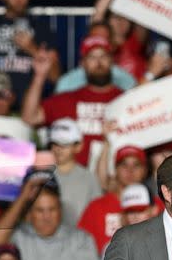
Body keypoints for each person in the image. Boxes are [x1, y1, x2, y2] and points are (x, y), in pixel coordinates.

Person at [21, 36, 124, 166]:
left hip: (113, 179)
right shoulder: (67, 99)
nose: (98, 62)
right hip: (72, 180)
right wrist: (40, 76)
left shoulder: (126, 100)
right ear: (82, 64)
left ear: (112, 61)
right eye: (92, 57)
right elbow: (29, 117)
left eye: (103, 56)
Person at [0, 170, 100, 260]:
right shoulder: (20, 236)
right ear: (29, 214)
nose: (47, 217)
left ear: (60, 210)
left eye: (52, 209)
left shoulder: (80, 238)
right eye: (40, 210)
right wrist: (23, 197)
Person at [0, 0, 60, 111]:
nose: (19, 0)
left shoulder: (42, 29)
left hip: (29, 110)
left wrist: (32, 49)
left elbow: (55, 76)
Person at [78, 145, 148, 254]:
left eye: (136, 165)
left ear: (144, 170)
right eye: (124, 165)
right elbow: (80, 246)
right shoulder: (96, 207)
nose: (130, 171)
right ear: (115, 169)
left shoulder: (156, 205)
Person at [49, 118, 102, 227]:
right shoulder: (42, 176)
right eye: (55, 143)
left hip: (79, 239)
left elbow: (97, 214)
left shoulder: (89, 178)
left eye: (64, 144)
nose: (58, 149)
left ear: (78, 146)